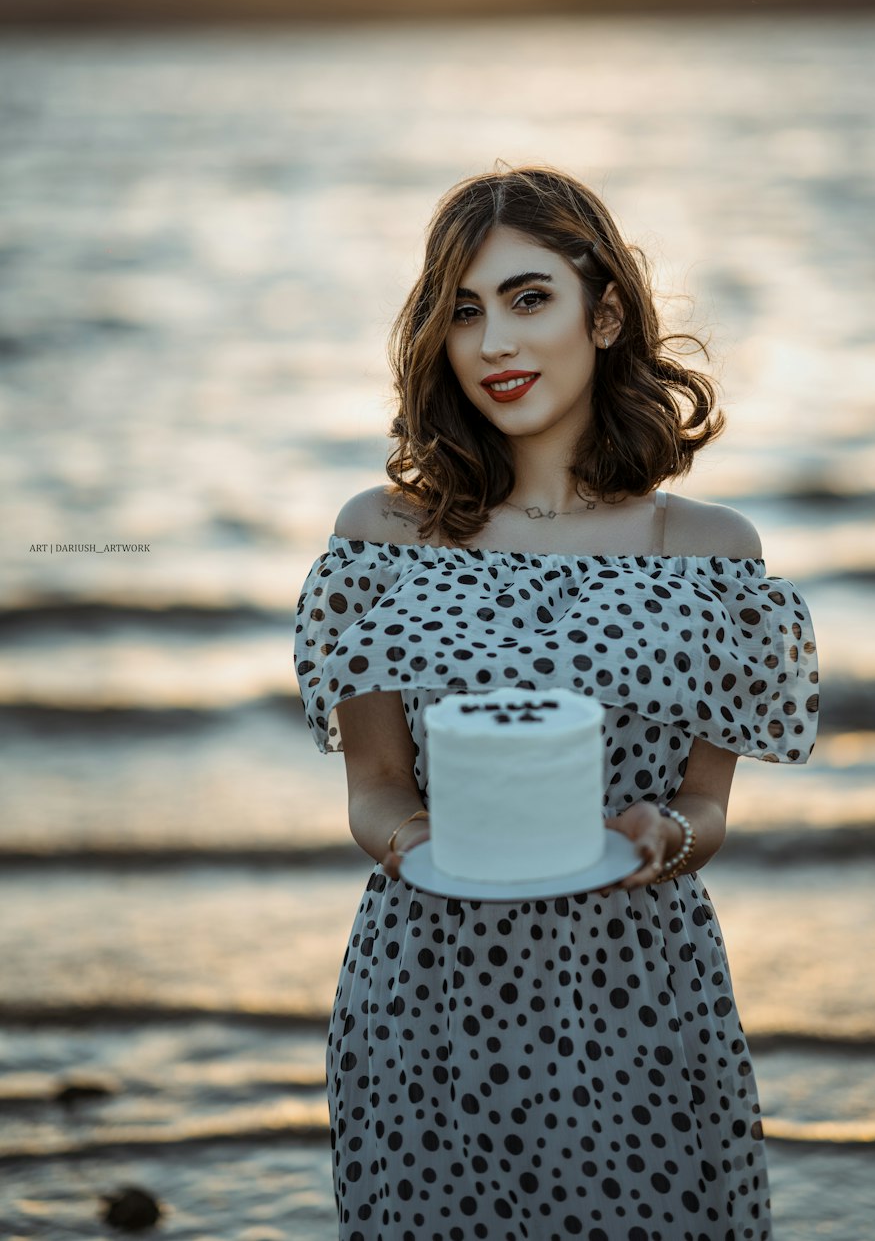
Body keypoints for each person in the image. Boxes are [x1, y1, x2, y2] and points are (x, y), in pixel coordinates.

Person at [294, 163, 820, 1241]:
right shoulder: (380, 540)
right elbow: (377, 787)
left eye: (530, 298)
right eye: (464, 312)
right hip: (427, 985)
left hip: (638, 986)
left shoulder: (712, 553)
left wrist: (663, 834)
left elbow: (705, 806)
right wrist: (428, 845)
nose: (495, 344)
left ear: (606, 310)